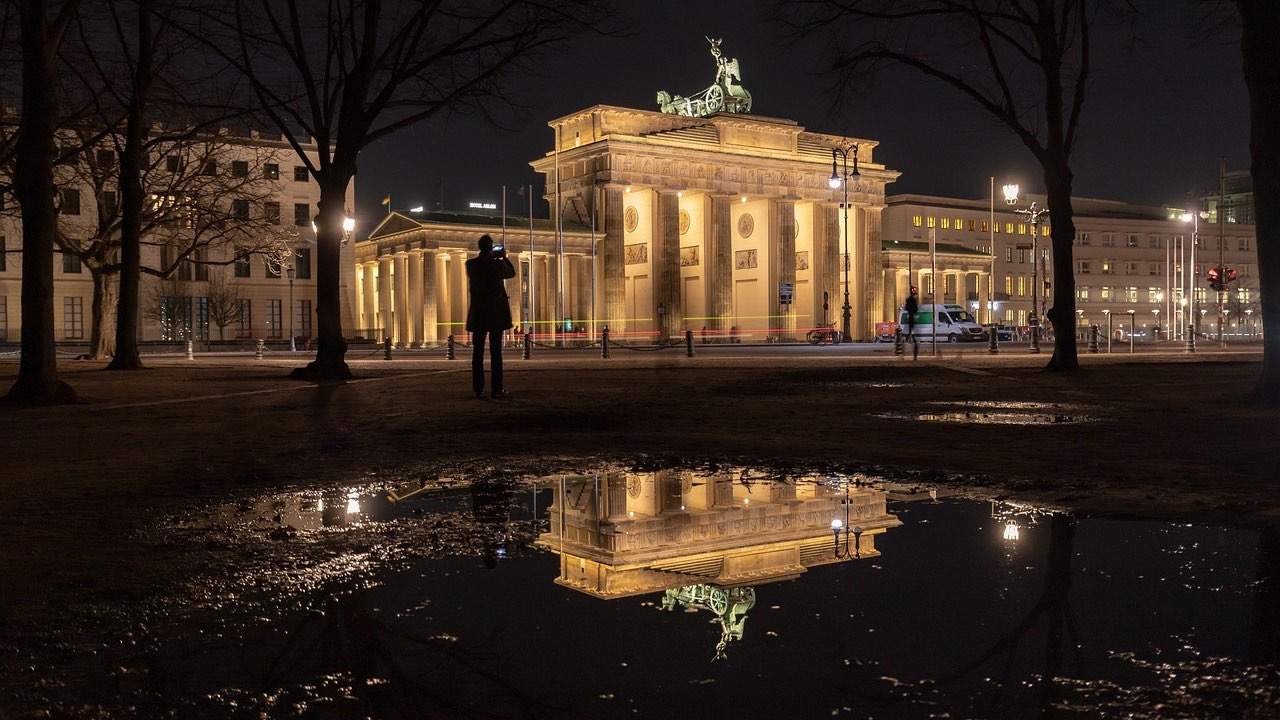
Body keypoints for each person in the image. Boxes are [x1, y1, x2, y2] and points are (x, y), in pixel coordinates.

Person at [465, 235, 516, 399]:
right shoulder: (497, 265)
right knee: (496, 353)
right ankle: (496, 389)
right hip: (495, 314)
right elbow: (512, 273)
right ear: (490, 247)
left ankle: (478, 389)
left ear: (479, 247)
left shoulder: (471, 264)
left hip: (479, 313)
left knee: (477, 353)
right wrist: (503, 258)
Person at [904, 286, 920, 360]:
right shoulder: (912, 300)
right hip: (912, 320)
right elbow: (915, 309)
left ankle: (908, 337)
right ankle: (915, 356)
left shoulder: (908, 300)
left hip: (909, 319)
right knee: (915, 340)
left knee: (911, 336)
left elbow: (906, 308)